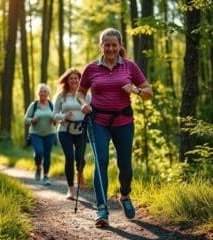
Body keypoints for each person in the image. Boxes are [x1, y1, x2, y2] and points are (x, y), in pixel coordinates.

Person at [76, 28, 153, 227]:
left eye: (114, 45)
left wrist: (135, 90)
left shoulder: (129, 66)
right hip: (98, 121)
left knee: (125, 165)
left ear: (120, 46)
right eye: (107, 45)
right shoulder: (91, 68)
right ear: (101, 46)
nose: (110, 48)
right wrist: (83, 104)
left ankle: (125, 195)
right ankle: (101, 209)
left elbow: (148, 92)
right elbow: (80, 92)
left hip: (123, 122)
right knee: (100, 161)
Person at [53, 68, 90, 200]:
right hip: (64, 130)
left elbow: (92, 109)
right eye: (71, 78)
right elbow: (54, 115)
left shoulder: (86, 95)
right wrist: (63, 116)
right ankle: (70, 190)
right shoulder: (61, 95)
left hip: (81, 130)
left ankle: (80, 172)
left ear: (80, 80)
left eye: (76, 78)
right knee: (69, 157)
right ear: (67, 81)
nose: (74, 80)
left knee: (80, 158)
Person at [24, 83, 57, 185]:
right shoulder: (34, 105)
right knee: (39, 152)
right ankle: (38, 167)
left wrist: (55, 120)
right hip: (35, 134)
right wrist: (32, 120)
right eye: (41, 91)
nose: (43, 93)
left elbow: (57, 120)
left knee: (47, 155)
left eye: (45, 91)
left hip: (50, 133)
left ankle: (46, 176)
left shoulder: (52, 105)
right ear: (38, 93)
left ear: (48, 93)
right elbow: (25, 119)